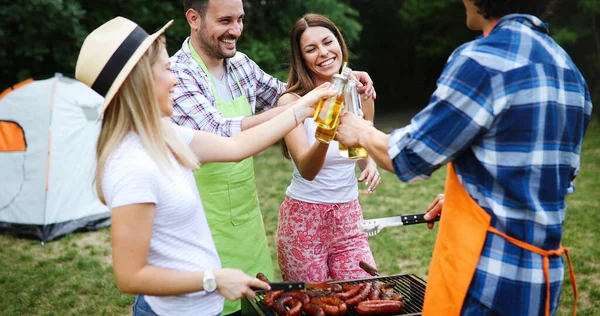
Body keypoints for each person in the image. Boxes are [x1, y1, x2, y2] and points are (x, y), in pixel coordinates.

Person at [336, 0, 592, 315]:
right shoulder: (569, 70)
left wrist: (360, 131)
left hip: (486, 281)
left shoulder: (481, 59)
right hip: (540, 282)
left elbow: (410, 156)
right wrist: (475, 198)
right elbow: (552, 179)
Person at [75, 17, 335, 316]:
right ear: (141, 81)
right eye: (167, 69)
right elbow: (130, 276)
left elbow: (234, 147)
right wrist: (213, 279)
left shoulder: (162, 133)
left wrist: (303, 106)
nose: (175, 79)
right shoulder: (131, 165)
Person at [170, 1, 374, 315]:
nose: (235, 30)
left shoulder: (240, 64)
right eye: (225, 20)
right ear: (194, 19)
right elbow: (219, 131)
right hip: (200, 223)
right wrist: (305, 106)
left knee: (257, 307)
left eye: (240, 19)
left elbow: (293, 92)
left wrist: (340, 81)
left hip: (245, 222)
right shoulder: (177, 73)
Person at [275, 14, 381, 282]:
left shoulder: (359, 91)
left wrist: (370, 163)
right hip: (303, 221)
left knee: (366, 291)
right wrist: (326, 131)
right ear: (302, 57)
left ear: (339, 43)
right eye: (311, 49)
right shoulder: (291, 102)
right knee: (316, 305)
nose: (323, 53)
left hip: (348, 217)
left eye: (327, 42)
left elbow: (359, 145)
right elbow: (307, 169)